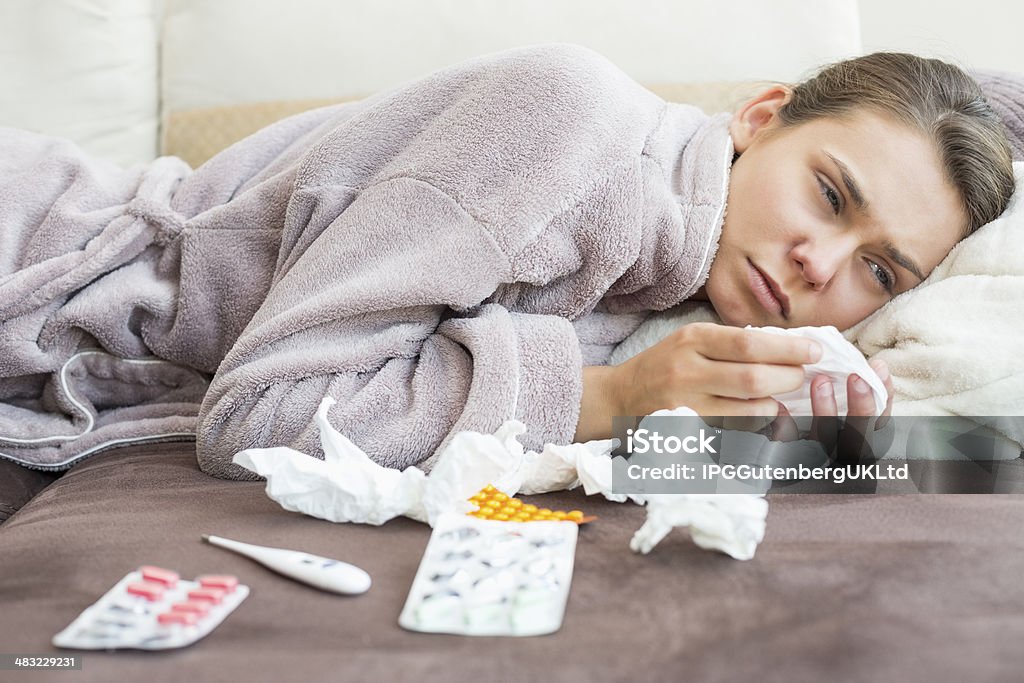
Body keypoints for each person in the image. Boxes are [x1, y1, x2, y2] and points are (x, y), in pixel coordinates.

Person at [0, 45, 1013, 480]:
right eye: (831, 194)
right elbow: (258, 419)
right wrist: (611, 396)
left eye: (880, 273)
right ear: (758, 117)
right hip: (35, 248)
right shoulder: (571, 125)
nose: (816, 264)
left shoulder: (668, 280)